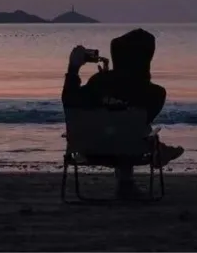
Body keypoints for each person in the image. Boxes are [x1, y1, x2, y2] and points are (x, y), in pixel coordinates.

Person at [61, 28, 185, 198]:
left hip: (89, 150)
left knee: (117, 128)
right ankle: (157, 153)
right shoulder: (155, 93)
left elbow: (70, 102)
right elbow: (140, 124)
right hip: (131, 151)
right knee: (134, 133)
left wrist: (74, 68)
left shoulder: (98, 83)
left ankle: (155, 156)